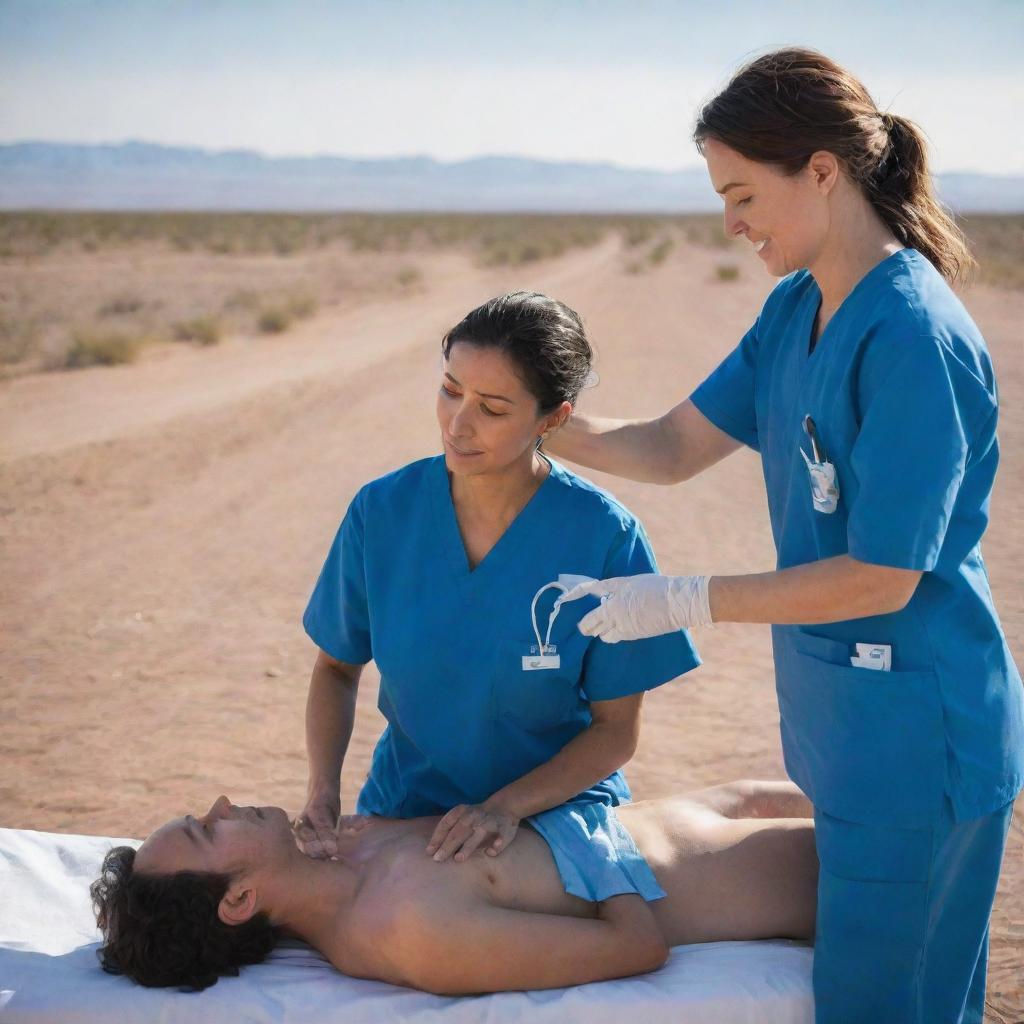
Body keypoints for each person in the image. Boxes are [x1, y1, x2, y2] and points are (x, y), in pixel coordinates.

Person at [549, 48, 1024, 1024]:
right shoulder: (795, 311)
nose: (730, 224)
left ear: (821, 169)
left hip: (919, 735)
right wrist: (547, 425)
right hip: (846, 725)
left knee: (890, 1005)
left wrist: (683, 598)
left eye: (740, 193)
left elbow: (883, 577)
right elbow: (676, 444)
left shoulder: (911, 339)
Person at [298, 291, 701, 913]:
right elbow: (334, 669)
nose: (458, 424)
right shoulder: (381, 513)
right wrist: (323, 790)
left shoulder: (604, 538)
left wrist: (503, 809)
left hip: (552, 823)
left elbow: (615, 733)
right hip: (406, 813)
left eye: (491, 408)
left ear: (552, 418)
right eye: (450, 390)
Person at [91, 779, 818, 993]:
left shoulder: (348, 849)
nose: (221, 805)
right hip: (763, 876)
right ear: (240, 899)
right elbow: (636, 947)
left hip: (716, 806)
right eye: (206, 832)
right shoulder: (412, 931)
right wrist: (586, 833)